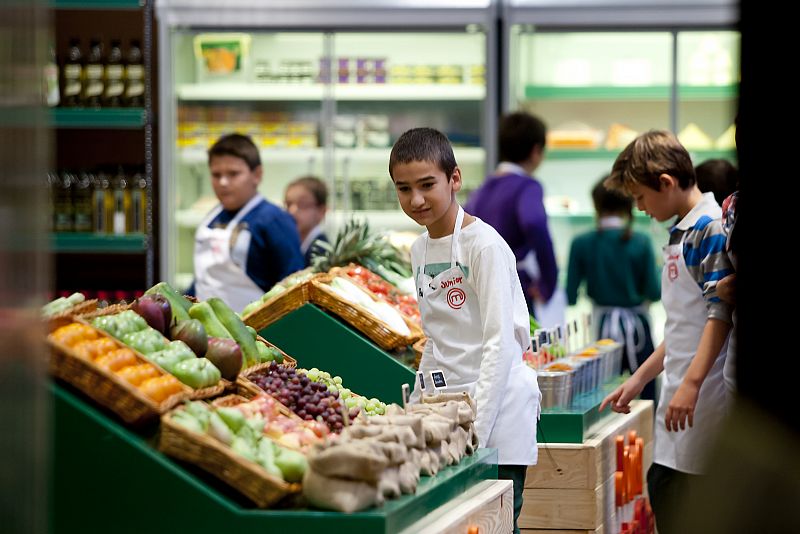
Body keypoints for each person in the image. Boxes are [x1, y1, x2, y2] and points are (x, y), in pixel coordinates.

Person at [391, 127, 541, 534]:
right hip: (452, 414)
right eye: (404, 189)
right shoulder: (419, 250)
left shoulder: (484, 246)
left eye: (427, 185)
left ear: (454, 179)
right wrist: (417, 410)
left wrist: (476, 428)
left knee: (498, 521)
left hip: (499, 408)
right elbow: (435, 340)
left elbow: (499, 344)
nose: (416, 200)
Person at [599, 130, 734, 534]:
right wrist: (638, 378)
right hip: (679, 398)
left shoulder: (708, 229)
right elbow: (681, 326)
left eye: (641, 198)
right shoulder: (683, 231)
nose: (639, 209)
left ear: (666, 183)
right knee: (664, 491)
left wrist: (691, 384)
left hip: (704, 400)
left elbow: (719, 314)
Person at [566, 177, 661, 400]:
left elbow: (570, 295)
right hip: (638, 330)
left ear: (596, 206)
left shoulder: (581, 243)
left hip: (602, 331)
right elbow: (655, 292)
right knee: (645, 394)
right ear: (629, 205)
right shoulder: (641, 241)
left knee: (604, 396)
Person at [188, 133, 304, 312]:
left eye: (233, 174)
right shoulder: (212, 216)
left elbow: (294, 288)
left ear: (257, 175)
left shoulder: (274, 220)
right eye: (216, 175)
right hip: (207, 329)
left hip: (256, 332)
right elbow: (204, 279)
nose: (223, 182)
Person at [464, 111, 559, 322]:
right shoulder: (527, 186)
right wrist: (547, 283)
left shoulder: (483, 189)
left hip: (481, 286)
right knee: (524, 351)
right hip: (516, 286)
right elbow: (534, 222)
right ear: (536, 151)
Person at [284, 175, 329, 267]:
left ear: (322, 211)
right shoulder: (295, 244)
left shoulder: (322, 252)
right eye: (288, 204)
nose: (292, 211)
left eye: (302, 204)